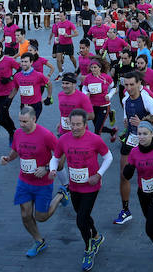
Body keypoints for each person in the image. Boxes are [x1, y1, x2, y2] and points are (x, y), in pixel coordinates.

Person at [1, 106, 69, 258]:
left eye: (25, 121)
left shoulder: (46, 135)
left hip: (42, 183)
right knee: (25, 215)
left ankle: (60, 195)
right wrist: (7, 158)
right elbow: (15, 152)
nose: (22, 125)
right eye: (20, 121)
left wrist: (47, 168)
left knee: (41, 217)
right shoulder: (18, 133)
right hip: (24, 181)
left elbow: (61, 154)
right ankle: (39, 241)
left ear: (34, 119)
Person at [51, 108, 113, 271]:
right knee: (83, 215)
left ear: (85, 124)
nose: (76, 127)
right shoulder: (64, 139)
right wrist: (52, 169)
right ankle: (97, 237)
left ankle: (89, 248)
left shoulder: (94, 139)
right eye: (73, 124)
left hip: (91, 186)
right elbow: (55, 158)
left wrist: (99, 174)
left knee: (80, 219)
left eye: (79, 124)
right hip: (74, 186)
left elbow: (109, 157)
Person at [115, 71, 153, 226]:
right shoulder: (125, 99)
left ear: (139, 84)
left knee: (150, 175)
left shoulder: (146, 99)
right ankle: (125, 210)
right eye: (126, 85)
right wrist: (126, 123)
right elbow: (126, 117)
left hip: (148, 141)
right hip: (131, 139)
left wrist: (143, 122)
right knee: (124, 175)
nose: (129, 88)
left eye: (132, 84)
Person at [122, 120, 153, 271]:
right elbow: (127, 174)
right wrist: (128, 170)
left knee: (149, 226)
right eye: (139, 134)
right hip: (143, 193)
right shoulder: (134, 152)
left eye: (145, 133)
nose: (142, 137)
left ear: (152, 134)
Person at [14, 53, 52, 120]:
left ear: (31, 62)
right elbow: (15, 88)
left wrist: (49, 97)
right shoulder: (17, 76)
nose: (23, 64)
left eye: (25, 62)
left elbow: (49, 84)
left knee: (30, 124)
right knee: (26, 124)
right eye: (22, 61)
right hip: (24, 104)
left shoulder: (39, 75)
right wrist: (8, 99)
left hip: (36, 105)